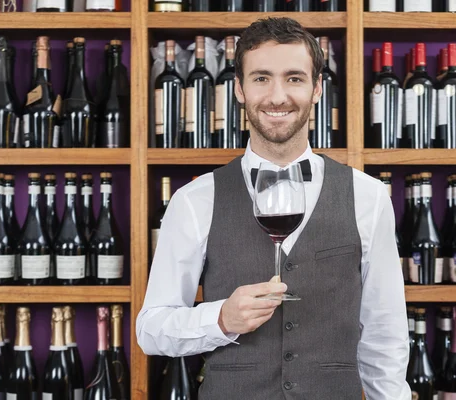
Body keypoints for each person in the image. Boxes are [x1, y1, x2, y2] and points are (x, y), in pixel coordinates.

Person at [137, 17, 410, 399]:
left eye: (294, 78)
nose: (277, 96)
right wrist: (220, 318)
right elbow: (151, 330)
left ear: (317, 89)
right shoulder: (194, 200)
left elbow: (385, 330)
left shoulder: (369, 196)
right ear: (239, 89)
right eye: (261, 78)